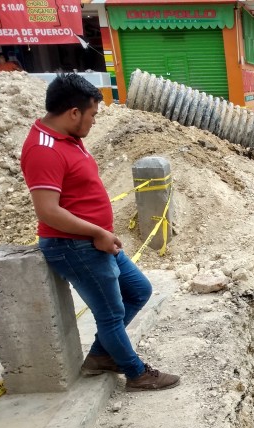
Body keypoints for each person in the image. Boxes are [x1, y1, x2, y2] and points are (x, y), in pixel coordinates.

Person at [20, 74, 180, 391]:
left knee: (138, 290)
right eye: (92, 114)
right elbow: (48, 211)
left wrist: (100, 232)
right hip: (74, 245)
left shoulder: (69, 139)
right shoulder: (44, 150)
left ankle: (100, 355)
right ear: (73, 112)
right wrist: (97, 232)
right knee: (111, 313)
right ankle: (136, 373)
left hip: (93, 241)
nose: (94, 121)